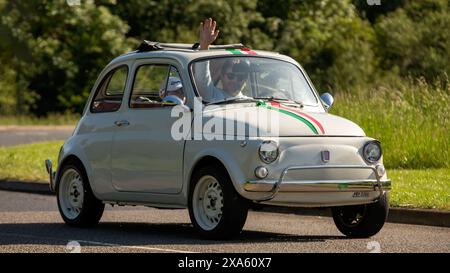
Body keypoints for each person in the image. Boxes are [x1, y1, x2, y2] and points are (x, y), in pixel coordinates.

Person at [196, 18, 250, 102]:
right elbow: (202, 80)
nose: (235, 80)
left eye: (240, 78)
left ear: (245, 81)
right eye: (230, 76)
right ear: (222, 75)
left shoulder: (251, 102)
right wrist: (204, 46)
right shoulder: (212, 95)